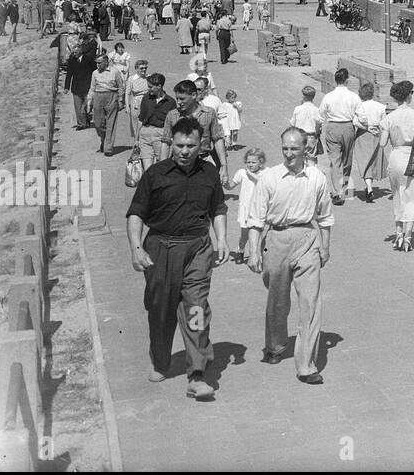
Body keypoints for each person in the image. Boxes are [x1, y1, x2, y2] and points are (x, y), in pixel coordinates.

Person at [125, 115, 228, 400]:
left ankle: (196, 374)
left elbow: (218, 208)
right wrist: (136, 247)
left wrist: (222, 239)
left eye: (191, 146)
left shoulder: (208, 173)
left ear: (201, 145)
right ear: (172, 144)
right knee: (160, 309)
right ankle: (160, 360)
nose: (185, 151)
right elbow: (136, 214)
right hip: (160, 248)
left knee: (196, 307)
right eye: (180, 145)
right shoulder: (156, 174)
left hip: (197, 248)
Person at [244, 128, 333, 385]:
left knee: (310, 303)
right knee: (278, 300)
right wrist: (253, 250)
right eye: (285, 148)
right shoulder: (270, 177)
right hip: (276, 240)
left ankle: (306, 365)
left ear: (305, 148)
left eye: (294, 149)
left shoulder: (316, 177)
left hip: (307, 239)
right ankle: (275, 345)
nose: (289, 153)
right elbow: (256, 218)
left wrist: (325, 247)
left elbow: (325, 217)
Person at [380, 81, 414, 251]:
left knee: (397, 195)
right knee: (412, 197)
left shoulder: (389, 118)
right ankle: (408, 236)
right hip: (412, 158)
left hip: (396, 157)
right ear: (408, 95)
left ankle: (398, 234)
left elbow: (382, 143)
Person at [160, 79, 228, 176]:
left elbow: (217, 139)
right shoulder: (172, 115)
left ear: (193, 95)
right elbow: (166, 142)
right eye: (177, 99)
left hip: (204, 161)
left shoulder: (209, 113)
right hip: (179, 163)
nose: (179, 102)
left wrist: (224, 166)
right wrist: (162, 167)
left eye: (182, 99)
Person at [319, 67, 360, 204]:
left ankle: (336, 192)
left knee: (335, 161)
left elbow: (320, 114)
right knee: (347, 160)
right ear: (347, 80)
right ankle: (345, 189)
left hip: (333, 127)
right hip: (348, 127)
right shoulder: (354, 96)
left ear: (335, 80)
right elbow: (362, 116)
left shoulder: (328, 96)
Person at [223, 147, 266, 265]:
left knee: (262, 234)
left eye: (253, 162)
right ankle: (240, 251)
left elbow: (264, 184)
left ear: (261, 162)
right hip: (246, 209)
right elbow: (231, 186)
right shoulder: (242, 173)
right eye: (248, 162)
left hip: (260, 209)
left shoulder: (266, 173)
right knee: (244, 234)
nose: (250, 165)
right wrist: (226, 184)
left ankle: (262, 255)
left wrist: (251, 175)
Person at [351, 82, 386, 203]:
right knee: (372, 162)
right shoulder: (381, 107)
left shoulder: (360, 106)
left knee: (363, 161)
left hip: (362, 134)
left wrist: (367, 127)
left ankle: (369, 187)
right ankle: (370, 187)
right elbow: (384, 122)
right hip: (376, 134)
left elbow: (355, 122)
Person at [136, 73, 177, 170]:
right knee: (148, 170)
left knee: (161, 167)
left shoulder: (170, 102)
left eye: (150, 87)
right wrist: (137, 140)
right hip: (145, 134)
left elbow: (173, 123)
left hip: (161, 135)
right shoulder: (146, 98)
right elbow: (140, 119)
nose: (148, 89)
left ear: (159, 86)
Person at [89, 51, 125, 155]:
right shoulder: (94, 73)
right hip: (98, 97)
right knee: (98, 123)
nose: (97, 65)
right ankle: (103, 140)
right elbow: (92, 88)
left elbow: (121, 87)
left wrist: (121, 100)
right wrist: (89, 102)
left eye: (99, 63)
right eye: (96, 63)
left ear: (106, 62)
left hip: (111, 97)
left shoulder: (115, 72)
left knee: (111, 123)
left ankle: (108, 148)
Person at [63, 38, 99, 128]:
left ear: (80, 51)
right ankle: (81, 124)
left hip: (87, 86)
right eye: (73, 52)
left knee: (86, 106)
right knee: (78, 107)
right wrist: (66, 87)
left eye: (75, 52)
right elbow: (69, 74)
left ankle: (86, 121)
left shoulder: (88, 59)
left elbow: (95, 71)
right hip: (76, 87)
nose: (74, 54)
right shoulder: (71, 61)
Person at [124, 58, 150, 143]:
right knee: (136, 122)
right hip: (136, 102)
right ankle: (137, 142)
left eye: (145, 68)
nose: (144, 70)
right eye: (141, 68)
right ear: (136, 68)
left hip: (148, 101)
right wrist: (127, 106)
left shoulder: (149, 78)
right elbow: (127, 93)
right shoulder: (132, 79)